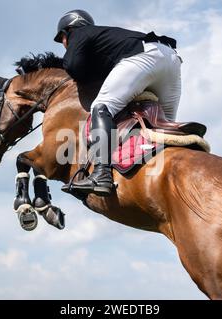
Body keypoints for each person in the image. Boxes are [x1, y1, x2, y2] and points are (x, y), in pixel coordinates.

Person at [55, 9, 182, 196]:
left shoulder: (79, 33)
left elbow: (73, 65)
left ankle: (101, 174)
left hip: (144, 57)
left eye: (62, 39)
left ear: (67, 31)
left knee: (101, 106)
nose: (64, 44)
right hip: (171, 59)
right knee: (164, 128)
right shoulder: (103, 40)